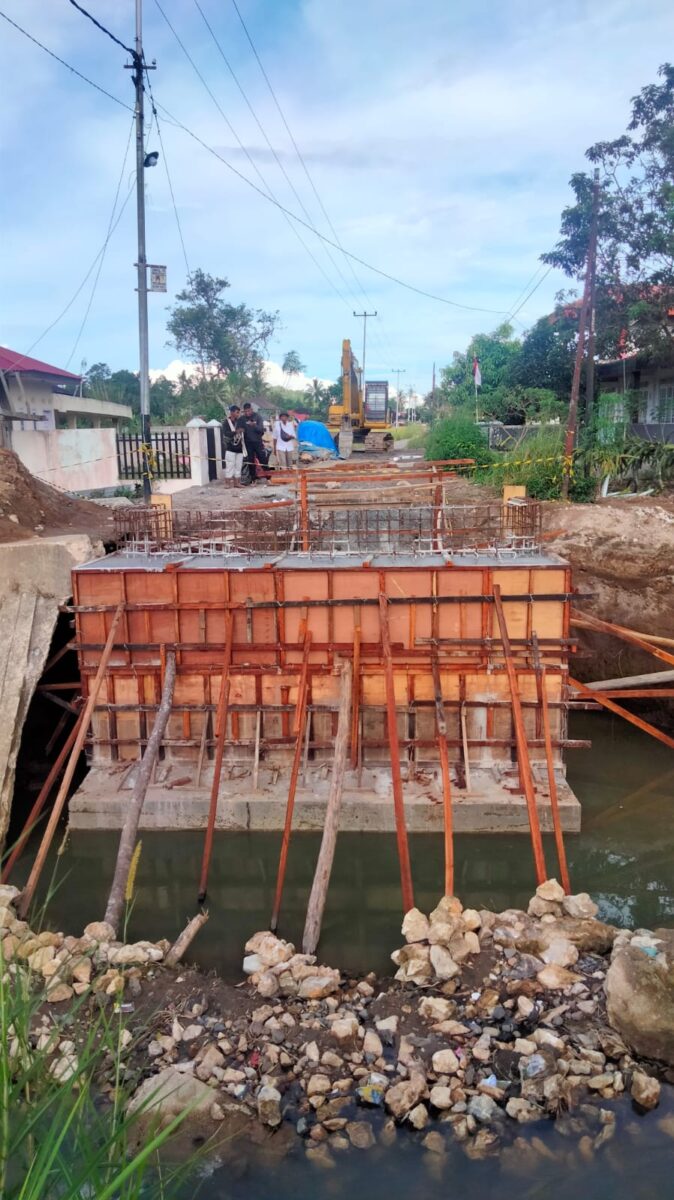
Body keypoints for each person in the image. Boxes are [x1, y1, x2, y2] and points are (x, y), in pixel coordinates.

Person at [238, 402, 270, 482]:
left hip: (258, 442)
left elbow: (261, 430)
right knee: (250, 460)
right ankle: (253, 479)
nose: (247, 413)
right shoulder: (242, 419)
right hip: (248, 443)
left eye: (248, 411)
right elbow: (238, 429)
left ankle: (268, 477)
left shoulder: (257, 417)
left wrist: (254, 425)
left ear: (251, 409)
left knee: (263, 459)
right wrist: (240, 430)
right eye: (245, 411)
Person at [222, 404, 244, 486]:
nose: (238, 414)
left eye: (239, 412)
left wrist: (242, 430)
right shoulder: (226, 422)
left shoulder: (240, 421)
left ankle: (237, 483)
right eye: (237, 412)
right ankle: (227, 484)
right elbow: (226, 434)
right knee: (230, 466)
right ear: (231, 413)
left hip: (239, 447)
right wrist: (236, 432)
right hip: (230, 448)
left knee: (238, 466)